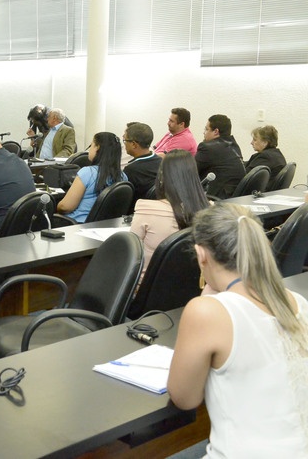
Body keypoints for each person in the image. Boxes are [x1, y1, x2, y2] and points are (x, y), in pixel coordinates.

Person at [167, 202, 308, 458]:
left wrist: (206, 300)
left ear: (201, 254)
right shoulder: (297, 302)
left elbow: (185, 399)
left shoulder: (206, 312)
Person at [130, 149, 209, 278]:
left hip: (147, 286)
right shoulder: (209, 210)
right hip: (192, 286)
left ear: (162, 176)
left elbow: (130, 252)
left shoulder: (146, 209)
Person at [57, 132, 127, 223]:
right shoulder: (123, 176)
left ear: (97, 148)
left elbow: (65, 207)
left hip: (77, 224)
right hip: (105, 225)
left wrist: (56, 207)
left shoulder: (87, 173)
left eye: (91, 145)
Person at [195, 114, 245, 199]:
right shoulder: (234, 145)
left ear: (216, 131)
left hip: (217, 198)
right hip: (233, 197)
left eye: (206, 129)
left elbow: (190, 172)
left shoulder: (207, 147)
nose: (204, 132)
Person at [123, 122, 161, 203]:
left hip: (137, 208)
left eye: (125, 141)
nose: (124, 144)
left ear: (134, 144)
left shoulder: (131, 170)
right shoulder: (162, 162)